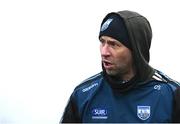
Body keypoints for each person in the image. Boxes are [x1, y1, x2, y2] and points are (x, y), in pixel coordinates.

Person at [60, 10, 180, 123]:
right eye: (102, 42)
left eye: (113, 44)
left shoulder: (171, 94)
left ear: (136, 49)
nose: (104, 52)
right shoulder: (83, 95)